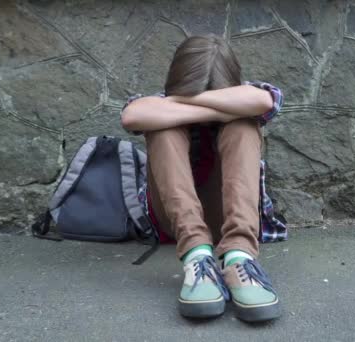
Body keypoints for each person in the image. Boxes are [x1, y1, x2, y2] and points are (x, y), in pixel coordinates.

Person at [120, 33, 287, 322]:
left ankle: (240, 259)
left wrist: (189, 105)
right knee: (163, 129)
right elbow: (132, 116)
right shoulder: (157, 103)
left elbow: (264, 101)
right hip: (175, 221)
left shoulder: (248, 95)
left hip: (232, 219)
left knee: (244, 126)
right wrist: (203, 106)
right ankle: (197, 257)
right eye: (192, 93)